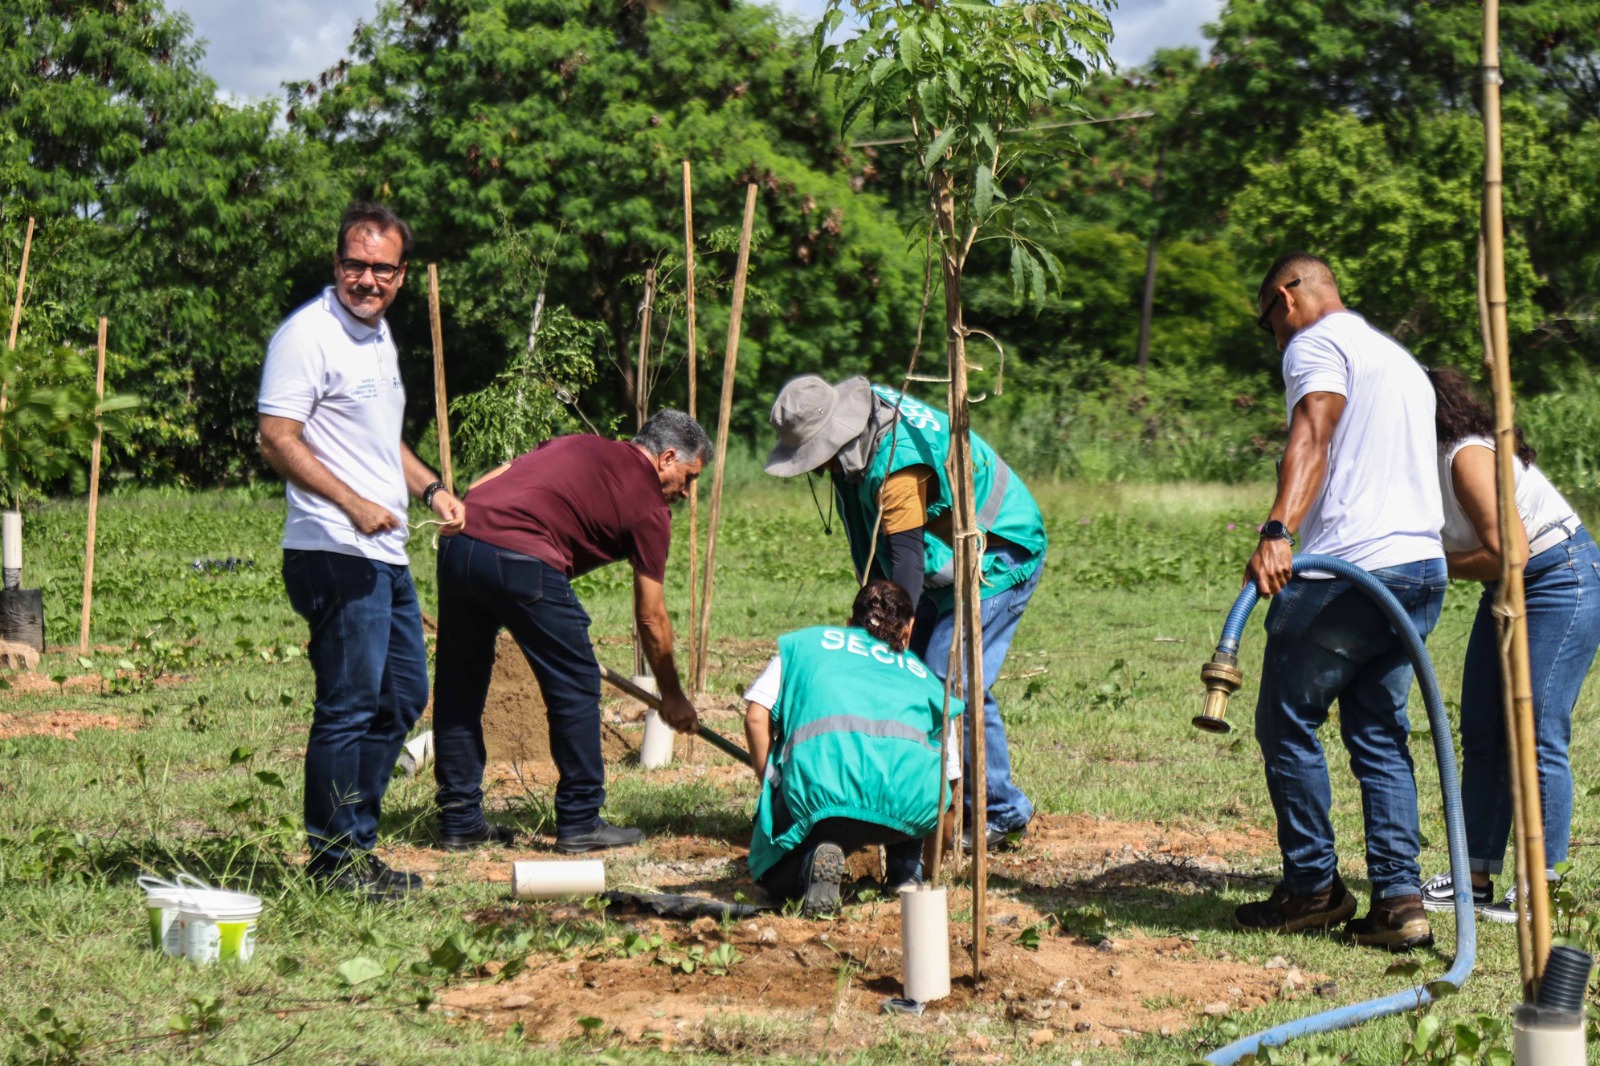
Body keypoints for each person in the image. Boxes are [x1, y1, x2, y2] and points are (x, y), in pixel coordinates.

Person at [1235, 252, 1447, 951]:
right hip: (1418, 570)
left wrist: (1278, 530)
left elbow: (1313, 431)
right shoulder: (1397, 360)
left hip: (1350, 574)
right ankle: (1398, 901)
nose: (1274, 339)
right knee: (1380, 733)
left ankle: (1311, 888)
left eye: (1268, 321)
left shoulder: (1315, 343)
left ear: (1286, 298)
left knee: (1286, 718)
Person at [258, 202, 466, 901]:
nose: (366, 278)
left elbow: (381, 445)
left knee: (404, 692)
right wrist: (351, 503)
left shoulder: (375, 338)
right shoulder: (309, 336)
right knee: (349, 704)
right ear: (337, 264)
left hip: (382, 551)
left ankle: (353, 841)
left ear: (402, 276)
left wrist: (431, 487)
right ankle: (334, 859)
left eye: (381, 267)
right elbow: (277, 437)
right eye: (355, 263)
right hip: (332, 547)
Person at [764, 375, 1045, 850]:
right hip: (945, 561)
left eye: (815, 456)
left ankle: (1000, 809)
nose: (817, 469)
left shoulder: (894, 462)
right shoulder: (860, 443)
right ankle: (900, 797)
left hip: (998, 550)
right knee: (905, 673)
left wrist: (892, 627)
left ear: (835, 437)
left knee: (948, 681)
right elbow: (882, 554)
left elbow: (908, 558)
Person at [430, 411, 707, 853]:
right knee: (575, 684)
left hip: (460, 543)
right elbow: (651, 617)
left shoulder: (578, 442)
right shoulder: (651, 508)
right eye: (689, 478)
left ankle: (459, 820)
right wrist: (672, 693)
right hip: (523, 558)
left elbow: (486, 482)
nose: (687, 493)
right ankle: (580, 820)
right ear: (667, 457)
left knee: (459, 687)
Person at [1417, 368, 1600, 922]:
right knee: (1485, 727)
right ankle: (1473, 874)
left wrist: (1430, 565)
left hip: (1558, 577)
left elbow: (1512, 551)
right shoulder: (1415, 466)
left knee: (1537, 728)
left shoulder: (1464, 455)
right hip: (1508, 586)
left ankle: (1542, 885)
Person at [743, 580, 963, 913]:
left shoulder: (805, 646)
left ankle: (807, 868)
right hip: (907, 813)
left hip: (821, 801)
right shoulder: (929, 683)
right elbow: (949, 789)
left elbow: (756, 718)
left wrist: (772, 783)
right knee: (912, 770)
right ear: (910, 629)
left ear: (850, 623)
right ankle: (907, 875)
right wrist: (933, 871)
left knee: (772, 876)